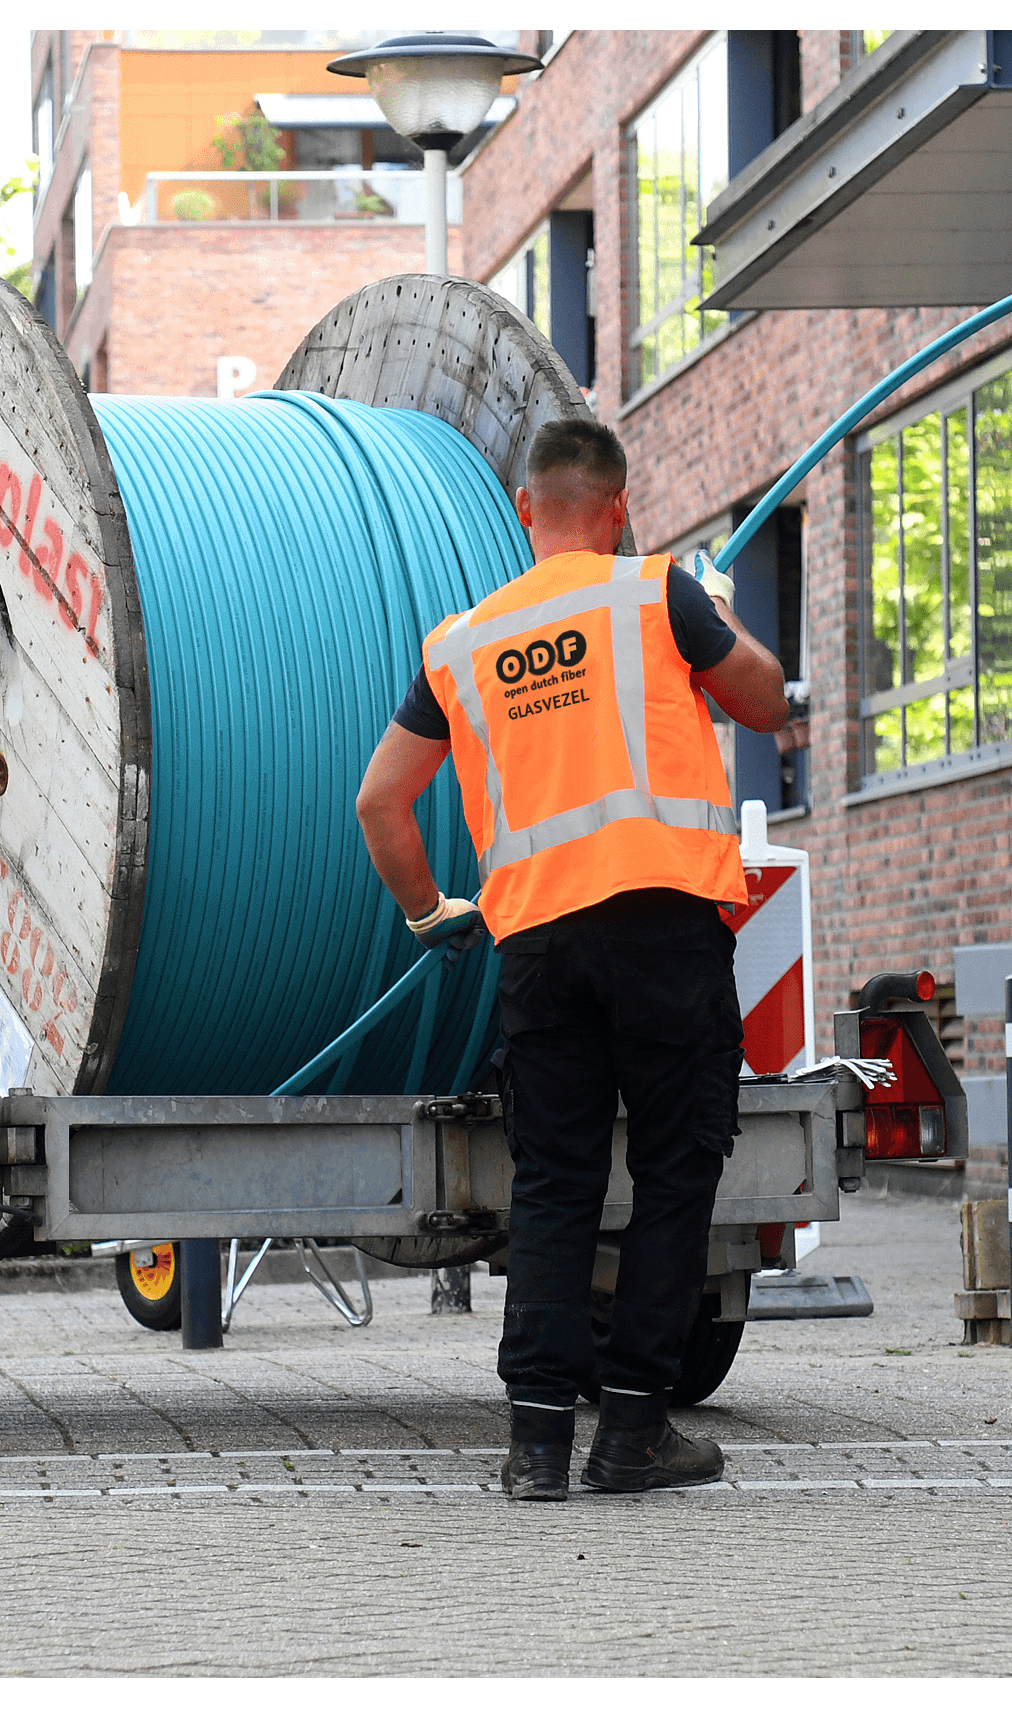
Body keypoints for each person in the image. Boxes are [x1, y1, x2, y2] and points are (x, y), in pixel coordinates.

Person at [354, 418, 789, 1501]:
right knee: (677, 1174)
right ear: (619, 505)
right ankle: (633, 1431)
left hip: (538, 943)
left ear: (522, 509)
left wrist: (427, 912)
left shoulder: (461, 642)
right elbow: (766, 700)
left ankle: (535, 1444)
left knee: (554, 1185)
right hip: (664, 933)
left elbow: (380, 803)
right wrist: (717, 614)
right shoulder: (657, 596)